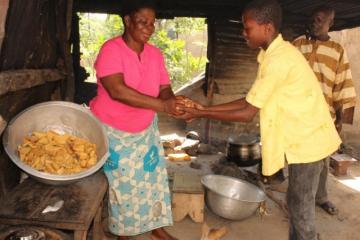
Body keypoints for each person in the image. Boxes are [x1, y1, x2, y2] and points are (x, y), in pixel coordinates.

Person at [176, 0, 341, 239]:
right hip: (301, 140)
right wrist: (203, 107)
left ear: (267, 27)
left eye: (247, 27)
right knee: (296, 204)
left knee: (301, 208)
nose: (243, 33)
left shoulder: (279, 60)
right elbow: (249, 100)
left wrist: (201, 112)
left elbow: (247, 111)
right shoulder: (271, 55)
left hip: (309, 142)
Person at [89, 1, 179, 239]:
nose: (148, 28)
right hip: (113, 130)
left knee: (154, 180)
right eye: (142, 22)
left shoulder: (155, 54)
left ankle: (156, 227)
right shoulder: (111, 50)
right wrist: (162, 105)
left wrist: (173, 102)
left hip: (145, 128)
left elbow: (165, 87)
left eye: (152, 23)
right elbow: (117, 90)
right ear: (127, 21)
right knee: (125, 186)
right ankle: (124, 234)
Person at [293, 5, 357, 215]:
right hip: (299, 115)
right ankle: (297, 199)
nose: (314, 23)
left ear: (331, 23)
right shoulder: (297, 45)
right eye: (313, 19)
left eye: (320, 20)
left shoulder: (337, 51)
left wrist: (339, 122)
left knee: (321, 162)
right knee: (298, 159)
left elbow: (342, 86)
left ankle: (320, 198)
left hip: (323, 117)